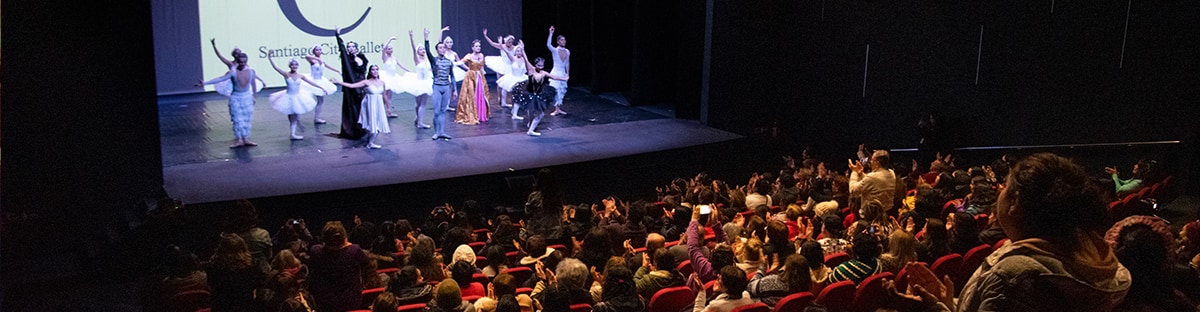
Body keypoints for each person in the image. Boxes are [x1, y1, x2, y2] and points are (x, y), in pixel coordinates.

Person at [886, 153, 1131, 312]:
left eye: (1006, 186)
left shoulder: (1013, 279)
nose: (998, 190)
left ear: (1015, 205)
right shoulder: (1089, 258)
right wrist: (949, 303)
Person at [198, 52, 265, 148]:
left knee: (247, 119)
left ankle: (246, 138)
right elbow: (220, 79)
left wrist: (254, 96)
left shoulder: (251, 72)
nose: (243, 64)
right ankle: (239, 139)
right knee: (237, 119)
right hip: (236, 98)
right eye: (241, 62)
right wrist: (206, 83)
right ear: (237, 62)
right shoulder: (233, 73)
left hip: (246, 97)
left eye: (244, 62)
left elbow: (253, 84)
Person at [308, 221, 371, 312]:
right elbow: (368, 266)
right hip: (351, 303)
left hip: (324, 305)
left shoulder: (316, 252)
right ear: (344, 237)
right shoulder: (354, 250)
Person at [267, 52, 329, 140]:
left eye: (296, 65)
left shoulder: (300, 76)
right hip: (288, 96)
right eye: (292, 65)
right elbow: (276, 68)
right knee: (291, 115)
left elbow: (311, 82)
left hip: (297, 97)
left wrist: (322, 87)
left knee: (295, 115)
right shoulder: (286, 74)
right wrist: (270, 58)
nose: (294, 66)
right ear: (290, 66)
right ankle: (292, 132)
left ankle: (293, 133)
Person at [331, 65, 390, 149]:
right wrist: (338, 82)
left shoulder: (382, 82)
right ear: (370, 72)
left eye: (377, 69)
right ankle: (370, 143)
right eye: (373, 70)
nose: (375, 71)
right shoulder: (366, 82)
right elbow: (352, 86)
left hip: (379, 106)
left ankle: (370, 141)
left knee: (378, 125)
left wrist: (388, 108)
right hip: (369, 105)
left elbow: (384, 96)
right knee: (373, 126)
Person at [511, 54, 568, 136]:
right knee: (533, 111)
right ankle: (530, 129)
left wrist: (564, 79)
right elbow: (526, 60)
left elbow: (554, 77)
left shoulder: (544, 73)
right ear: (535, 64)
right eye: (539, 65)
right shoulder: (531, 70)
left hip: (539, 94)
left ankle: (530, 125)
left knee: (537, 112)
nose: (540, 67)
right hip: (529, 93)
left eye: (542, 65)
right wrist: (523, 50)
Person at [206, 233, 265, 312]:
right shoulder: (251, 267)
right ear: (243, 248)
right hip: (244, 307)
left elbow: (210, 285)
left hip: (221, 306)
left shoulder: (214, 267)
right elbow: (259, 285)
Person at [335, 26, 369, 139]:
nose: (350, 48)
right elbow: (342, 50)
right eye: (348, 47)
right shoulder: (347, 59)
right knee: (352, 108)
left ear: (356, 48)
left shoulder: (361, 57)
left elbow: (363, 69)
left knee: (363, 107)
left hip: (362, 85)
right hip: (351, 86)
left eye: (352, 46)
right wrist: (338, 36)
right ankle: (353, 129)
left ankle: (364, 127)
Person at [424, 27, 458, 141]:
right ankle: (436, 132)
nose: (442, 49)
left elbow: (452, 76)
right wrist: (426, 38)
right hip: (437, 87)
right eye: (440, 48)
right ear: (437, 50)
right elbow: (427, 51)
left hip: (446, 87)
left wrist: (455, 90)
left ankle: (442, 132)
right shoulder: (434, 60)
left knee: (443, 111)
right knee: (437, 111)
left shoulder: (449, 62)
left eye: (443, 47)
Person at [402, 30, 434, 129]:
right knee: (418, 104)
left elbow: (430, 68)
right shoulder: (417, 59)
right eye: (421, 49)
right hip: (419, 82)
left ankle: (419, 121)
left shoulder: (427, 59)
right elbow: (413, 48)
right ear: (418, 51)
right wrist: (411, 38)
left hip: (427, 81)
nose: (423, 50)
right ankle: (418, 119)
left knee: (423, 103)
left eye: (423, 49)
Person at [302, 44, 341, 124]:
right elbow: (306, 56)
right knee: (305, 99)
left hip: (321, 81)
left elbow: (328, 66)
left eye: (320, 50)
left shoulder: (321, 60)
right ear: (314, 51)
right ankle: (298, 114)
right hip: (312, 81)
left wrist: (337, 71)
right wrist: (316, 58)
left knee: (320, 101)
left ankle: (317, 118)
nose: (319, 51)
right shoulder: (312, 60)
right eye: (317, 50)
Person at [455, 39, 490, 125]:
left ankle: (480, 114)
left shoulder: (481, 55)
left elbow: (481, 67)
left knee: (481, 94)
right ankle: (471, 113)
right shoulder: (469, 56)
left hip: (479, 76)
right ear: (472, 48)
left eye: (479, 46)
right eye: (476, 46)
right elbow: (460, 62)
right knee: (470, 94)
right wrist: (452, 63)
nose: (478, 48)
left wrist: (483, 76)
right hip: (471, 77)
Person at [483, 30, 519, 109]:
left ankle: (504, 102)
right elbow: (492, 43)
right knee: (500, 83)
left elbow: (518, 54)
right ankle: (499, 98)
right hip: (501, 65)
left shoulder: (514, 48)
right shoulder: (501, 46)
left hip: (510, 67)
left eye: (511, 42)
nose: (510, 43)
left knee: (506, 84)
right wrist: (486, 36)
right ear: (506, 42)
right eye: (509, 42)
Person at [377, 36, 411, 118]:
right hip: (386, 78)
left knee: (389, 97)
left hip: (393, 78)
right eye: (389, 48)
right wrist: (390, 39)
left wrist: (409, 70)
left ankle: (389, 112)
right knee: (384, 96)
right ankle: (378, 110)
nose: (390, 50)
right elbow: (384, 48)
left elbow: (400, 65)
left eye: (391, 48)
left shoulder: (394, 58)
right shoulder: (384, 57)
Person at [546, 26, 570, 116]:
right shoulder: (555, 50)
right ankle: (556, 109)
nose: (564, 41)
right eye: (562, 40)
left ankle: (558, 108)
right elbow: (548, 45)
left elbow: (567, 63)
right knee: (555, 90)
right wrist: (551, 33)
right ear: (558, 42)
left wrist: (568, 74)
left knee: (561, 91)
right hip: (556, 72)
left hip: (563, 73)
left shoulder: (567, 51)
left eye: (564, 40)